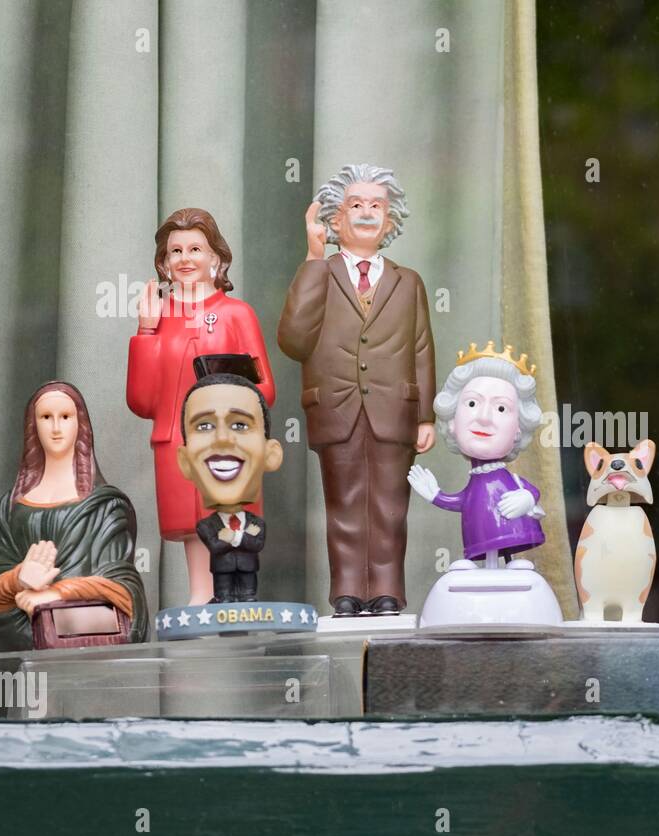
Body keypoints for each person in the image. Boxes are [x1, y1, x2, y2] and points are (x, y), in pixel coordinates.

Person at [279, 164, 436, 617]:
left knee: (390, 507)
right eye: (356, 205)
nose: (366, 213)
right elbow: (294, 339)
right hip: (337, 408)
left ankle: (387, 590)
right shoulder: (321, 274)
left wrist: (425, 415)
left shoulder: (409, 283)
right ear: (333, 220)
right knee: (343, 505)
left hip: (394, 409)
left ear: (391, 221)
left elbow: (422, 348)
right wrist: (312, 258)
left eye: (376, 206)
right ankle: (347, 590)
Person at [127, 208, 276, 605]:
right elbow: (142, 401)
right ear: (163, 262)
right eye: (175, 251)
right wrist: (145, 332)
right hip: (177, 438)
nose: (185, 259)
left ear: (217, 258)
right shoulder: (159, 319)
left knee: (227, 513)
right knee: (191, 524)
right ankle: (200, 593)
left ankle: (237, 595)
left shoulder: (236, 314)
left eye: (196, 248)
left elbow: (266, 388)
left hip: (228, 440)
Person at [0, 382, 148, 652]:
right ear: (33, 426)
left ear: (81, 425)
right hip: (27, 670)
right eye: (45, 417)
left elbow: (124, 591)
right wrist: (17, 578)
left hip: (88, 655)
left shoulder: (106, 506)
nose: (56, 427)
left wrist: (56, 594)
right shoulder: (8, 511)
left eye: (65, 417)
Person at [407, 343, 545, 567]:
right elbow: (464, 501)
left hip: (515, 534)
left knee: (517, 571)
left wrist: (527, 498)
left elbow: (531, 490)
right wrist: (436, 495)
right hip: (477, 541)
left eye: (501, 408)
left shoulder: (507, 480)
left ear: (519, 427)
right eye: (472, 403)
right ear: (452, 420)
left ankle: (512, 565)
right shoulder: (475, 484)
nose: (484, 418)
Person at [176, 374, 283, 603]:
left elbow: (256, 542)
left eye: (240, 425)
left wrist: (230, 537)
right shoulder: (207, 526)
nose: (223, 439)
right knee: (223, 595)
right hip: (222, 575)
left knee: (247, 595)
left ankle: (247, 598)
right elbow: (217, 543)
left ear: (271, 454)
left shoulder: (256, 523)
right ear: (184, 462)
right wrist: (240, 536)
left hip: (247, 574)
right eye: (204, 426)